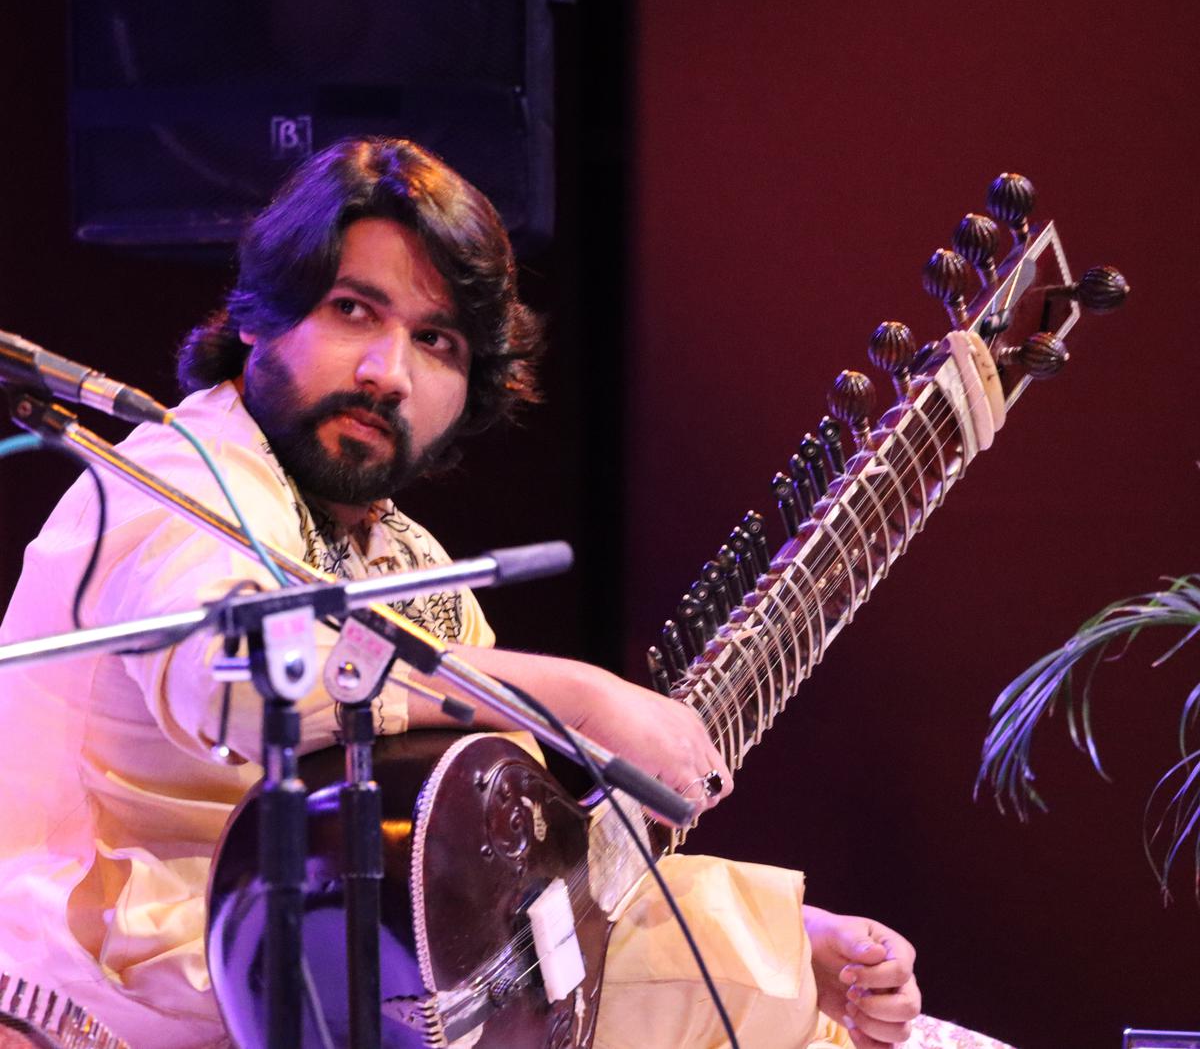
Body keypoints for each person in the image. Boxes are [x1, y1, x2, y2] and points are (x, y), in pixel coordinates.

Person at [0, 138, 1004, 1049]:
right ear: (266, 314)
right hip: (119, 1015)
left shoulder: (406, 563)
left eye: (438, 341)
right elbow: (250, 683)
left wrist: (799, 942)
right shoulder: (177, 482)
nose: (388, 371)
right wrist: (580, 696)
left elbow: (514, 889)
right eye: (355, 309)